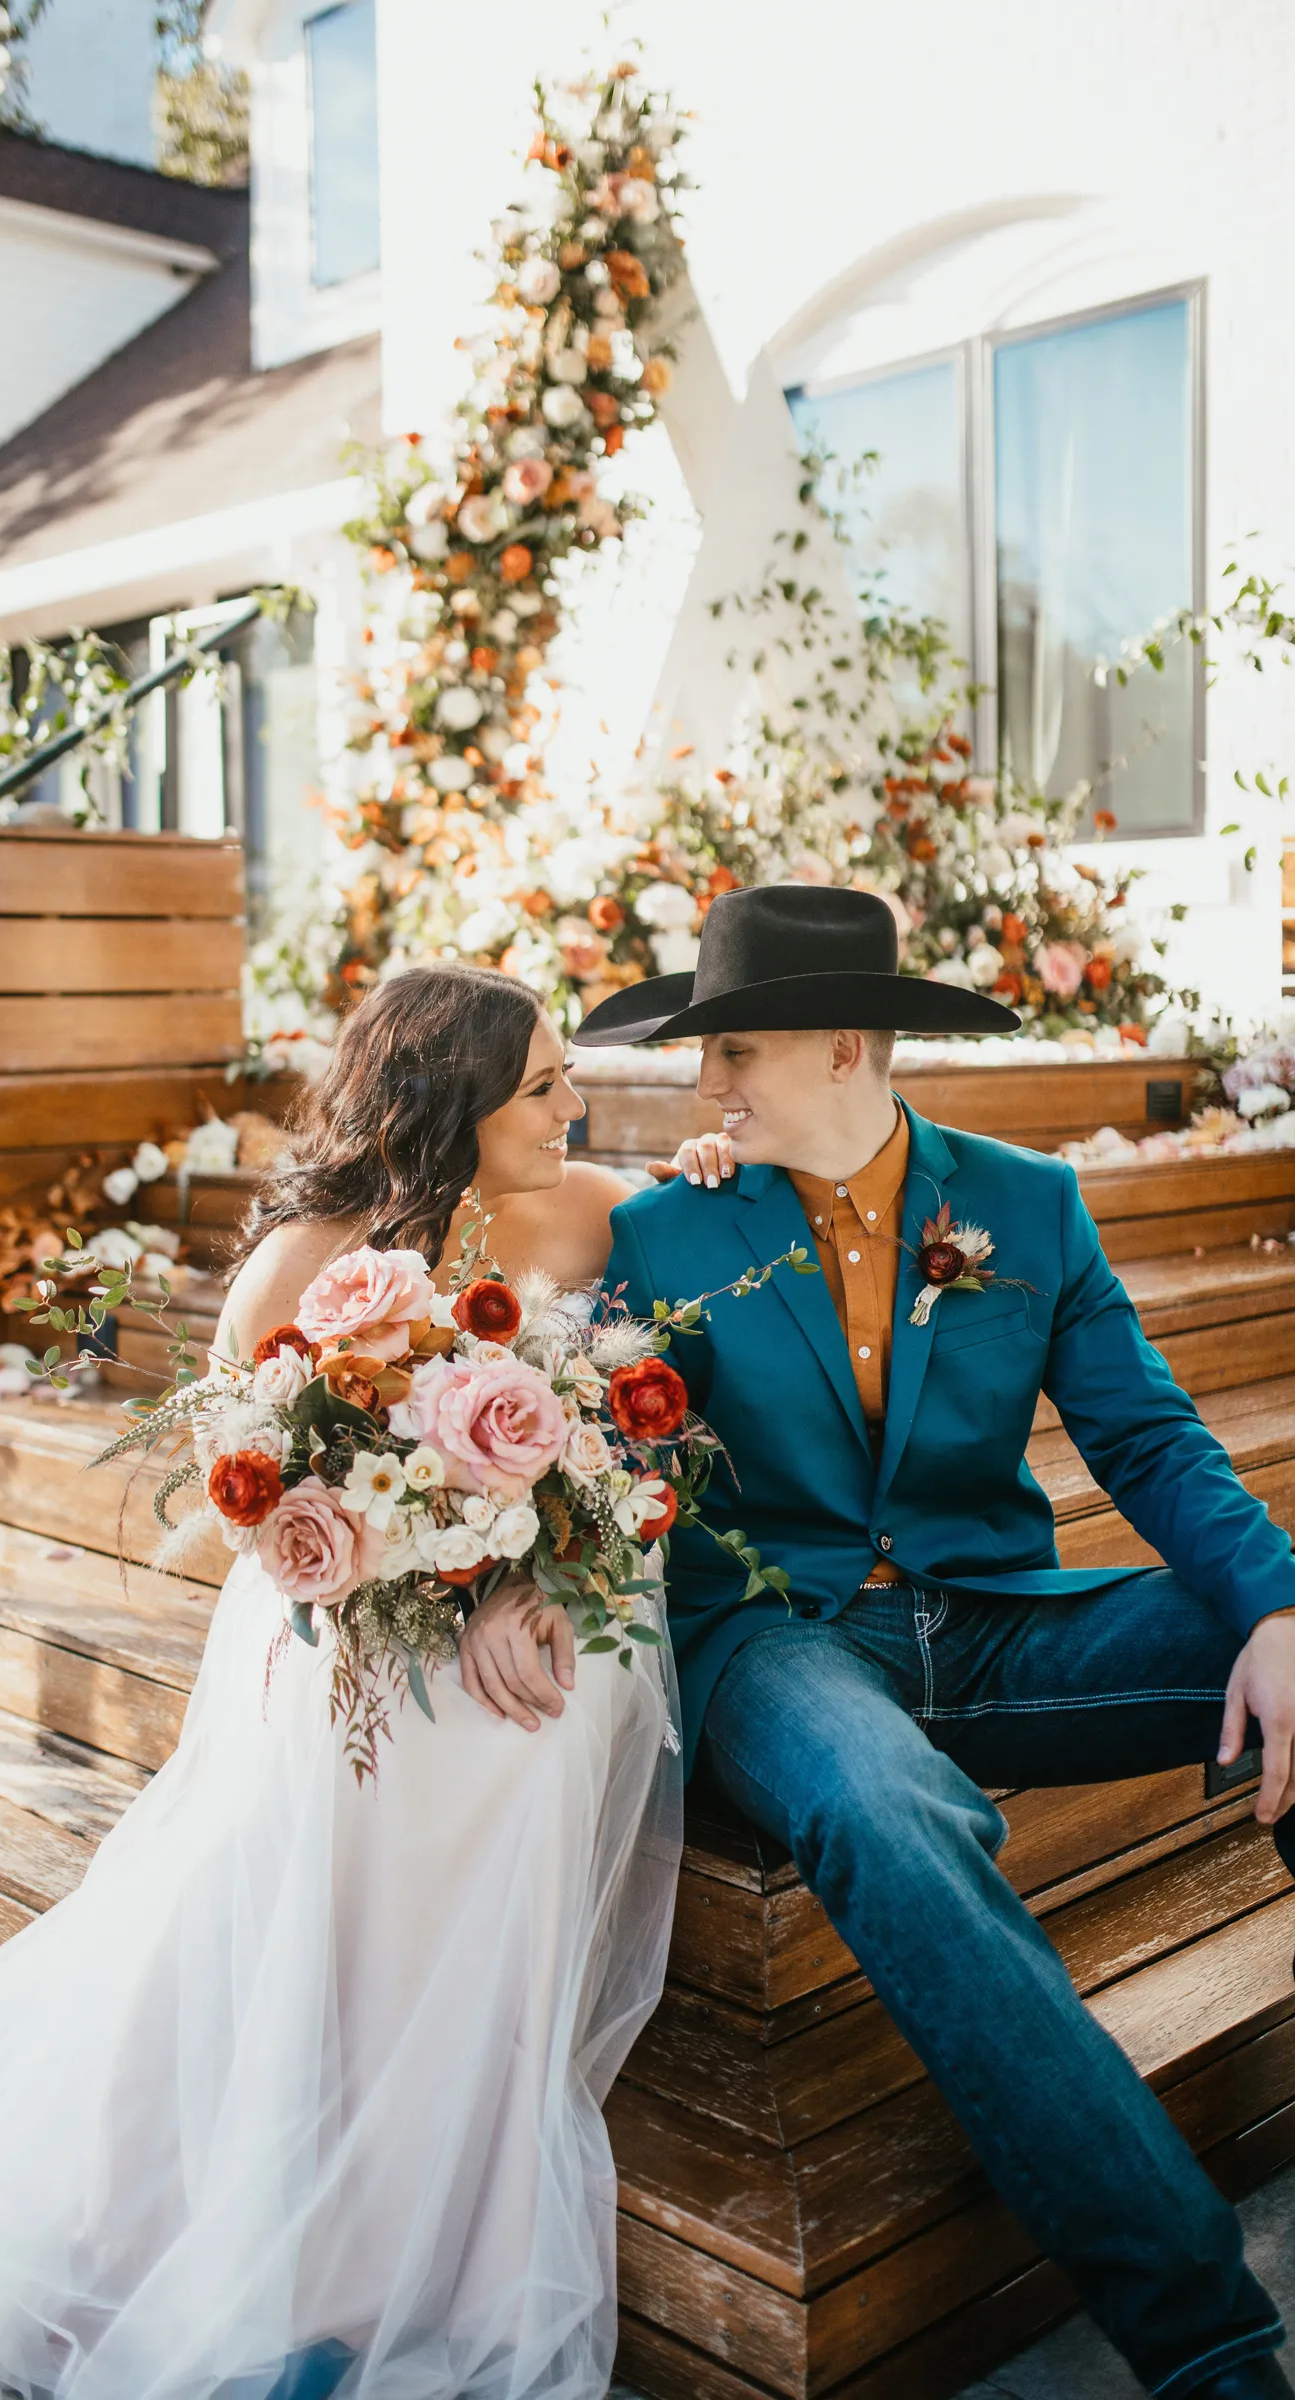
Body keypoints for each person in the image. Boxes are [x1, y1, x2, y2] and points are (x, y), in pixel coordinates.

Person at [0, 965, 681, 2400]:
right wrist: (396, 1551)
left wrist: (515, 1560)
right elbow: (247, 1488)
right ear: (450, 1102)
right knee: (383, 1786)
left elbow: (683, 1235)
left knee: (527, 1730)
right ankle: (264, 2216)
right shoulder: (304, 1261)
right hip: (346, 1612)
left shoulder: (587, 1209)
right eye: (542, 1085)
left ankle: (418, 2202)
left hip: (529, 1589)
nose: (572, 1103)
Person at [464, 882, 1295, 2400]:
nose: (706, 1087)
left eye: (738, 1054)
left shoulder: (1027, 1203)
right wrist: (538, 1586)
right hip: (780, 1653)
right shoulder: (668, 1230)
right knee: (890, 1809)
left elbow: (1151, 1441)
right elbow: (617, 1465)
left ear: (848, 1045)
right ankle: (1215, 2345)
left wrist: (1277, 1610)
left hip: (997, 1626)